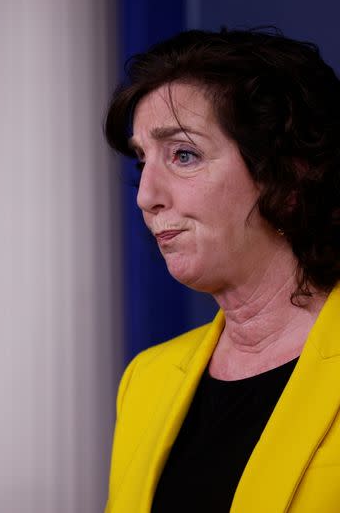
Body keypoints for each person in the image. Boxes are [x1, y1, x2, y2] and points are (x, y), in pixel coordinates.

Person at [103, 29, 340, 512]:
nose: (146, 196)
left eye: (183, 155)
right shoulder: (144, 381)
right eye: (143, 162)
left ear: (288, 174)